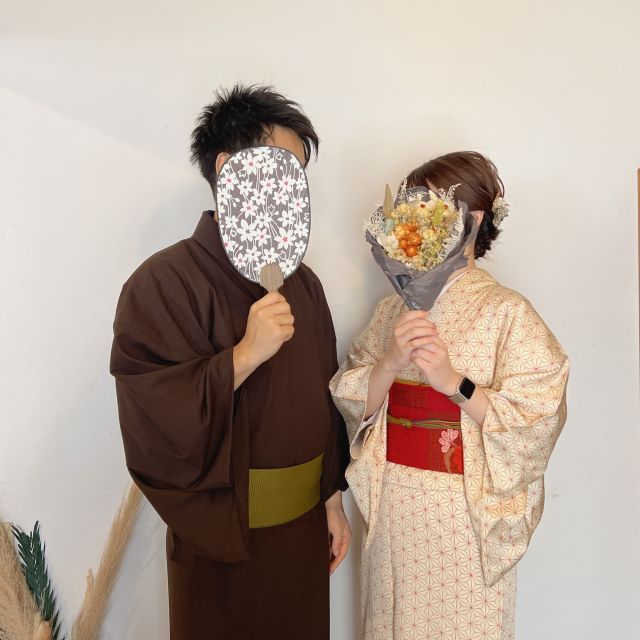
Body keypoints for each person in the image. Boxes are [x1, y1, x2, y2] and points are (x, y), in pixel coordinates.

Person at [110, 84, 351, 640]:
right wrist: (244, 356)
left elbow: (324, 398)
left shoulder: (305, 285)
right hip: (223, 542)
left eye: (298, 175)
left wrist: (332, 502)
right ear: (227, 168)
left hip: (303, 537)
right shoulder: (162, 282)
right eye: (282, 166)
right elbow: (151, 415)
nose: (291, 188)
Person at [330, 151, 569, 640]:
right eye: (413, 210)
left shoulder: (507, 311)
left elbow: (538, 419)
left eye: (433, 210)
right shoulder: (392, 309)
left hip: (462, 513)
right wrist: (389, 363)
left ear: (474, 221)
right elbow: (352, 400)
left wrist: (455, 384)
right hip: (395, 505)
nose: (419, 222)